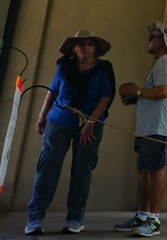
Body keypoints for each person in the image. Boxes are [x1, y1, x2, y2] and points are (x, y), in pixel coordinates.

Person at [24, 30, 116, 236]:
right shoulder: (63, 65)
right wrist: (42, 117)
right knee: (47, 168)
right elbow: (53, 91)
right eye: (81, 44)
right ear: (74, 48)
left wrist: (90, 123)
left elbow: (105, 98)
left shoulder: (103, 68)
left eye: (90, 44)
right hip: (59, 121)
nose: (85, 48)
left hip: (90, 125)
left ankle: (74, 219)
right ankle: (35, 218)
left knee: (82, 170)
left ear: (95, 48)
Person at [115, 21, 167, 237]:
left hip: (158, 127)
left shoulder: (166, 61)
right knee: (144, 172)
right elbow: (155, 93)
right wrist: (136, 97)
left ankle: (153, 221)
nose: (148, 41)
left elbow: (163, 91)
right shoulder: (159, 63)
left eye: (152, 37)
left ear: (161, 40)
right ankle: (142, 215)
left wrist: (138, 92)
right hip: (147, 128)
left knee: (155, 171)